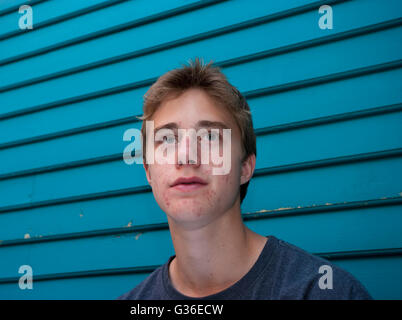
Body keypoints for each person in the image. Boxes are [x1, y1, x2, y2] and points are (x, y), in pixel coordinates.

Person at [118, 58, 371, 300]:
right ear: (148, 172)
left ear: (245, 167)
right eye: (167, 140)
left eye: (209, 137)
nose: (186, 156)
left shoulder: (323, 292)